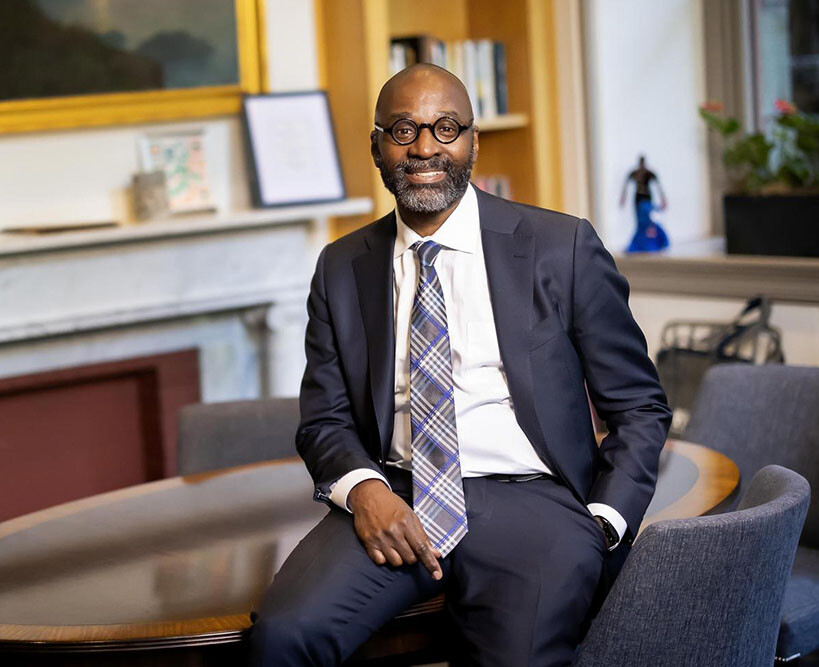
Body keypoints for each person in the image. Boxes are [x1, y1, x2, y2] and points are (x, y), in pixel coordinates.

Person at [250, 64, 671, 666]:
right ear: (375, 148)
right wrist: (364, 490)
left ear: (474, 141)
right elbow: (325, 419)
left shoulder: (561, 246)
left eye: (446, 128)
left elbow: (638, 405)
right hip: (395, 497)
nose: (425, 147)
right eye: (403, 129)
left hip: (534, 500)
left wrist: (604, 520)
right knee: (284, 638)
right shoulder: (342, 266)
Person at [619, 155, 670, 253]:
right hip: (638, 200)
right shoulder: (634, 173)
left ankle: (654, 242)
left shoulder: (649, 173)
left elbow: (658, 185)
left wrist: (663, 199)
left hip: (646, 199)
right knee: (640, 223)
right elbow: (626, 184)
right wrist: (623, 198)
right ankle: (640, 244)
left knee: (647, 222)